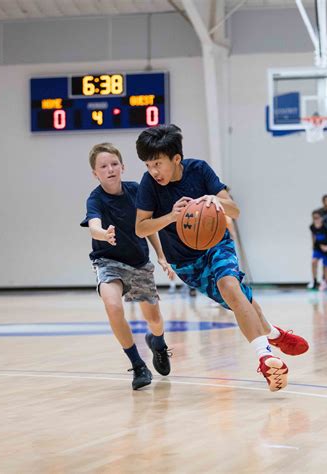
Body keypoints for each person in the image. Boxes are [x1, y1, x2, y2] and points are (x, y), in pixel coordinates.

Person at [135, 124, 309, 393]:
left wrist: (215, 202)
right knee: (242, 301)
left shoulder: (200, 170)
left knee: (231, 288)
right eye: (148, 165)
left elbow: (235, 210)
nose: (153, 171)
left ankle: (265, 358)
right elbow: (141, 227)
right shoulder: (149, 185)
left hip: (217, 245)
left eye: (157, 163)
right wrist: (170, 216)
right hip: (186, 263)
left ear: (176, 159)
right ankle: (274, 334)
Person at [80, 143, 173, 391]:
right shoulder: (95, 198)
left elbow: (148, 226)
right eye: (103, 166)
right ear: (95, 173)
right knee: (112, 305)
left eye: (113, 164)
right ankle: (138, 365)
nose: (109, 169)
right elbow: (93, 225)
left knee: (154, 320)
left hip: (139, 262)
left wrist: (161, 256)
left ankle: (159, 343)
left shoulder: (135, 191)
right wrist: (103, 234)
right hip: (108, 261)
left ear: (122, 166)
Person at [309, 210, 327, 291]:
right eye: (314, 218)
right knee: (313, 261)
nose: (315, 220)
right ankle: (314, 281)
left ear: (321, 218)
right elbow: (313, 234)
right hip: (318, 248)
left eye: (317, 218)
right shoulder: (312, 227)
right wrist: (313, 244)